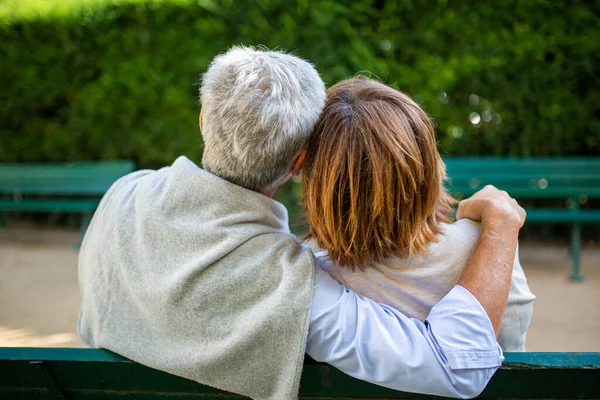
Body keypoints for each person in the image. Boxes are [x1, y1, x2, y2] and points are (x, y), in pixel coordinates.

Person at [78, 46, 526, 400]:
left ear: (202, 119)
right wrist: (502, 222)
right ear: (299, 163)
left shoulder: (124, 193)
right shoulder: (293, 290)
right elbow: (458, 366)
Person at [301, 77, 536, 352]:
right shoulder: (487, 244)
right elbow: (510, 350)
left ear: (319, 181)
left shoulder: (304, 270)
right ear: (426, 168)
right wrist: (500, 221)